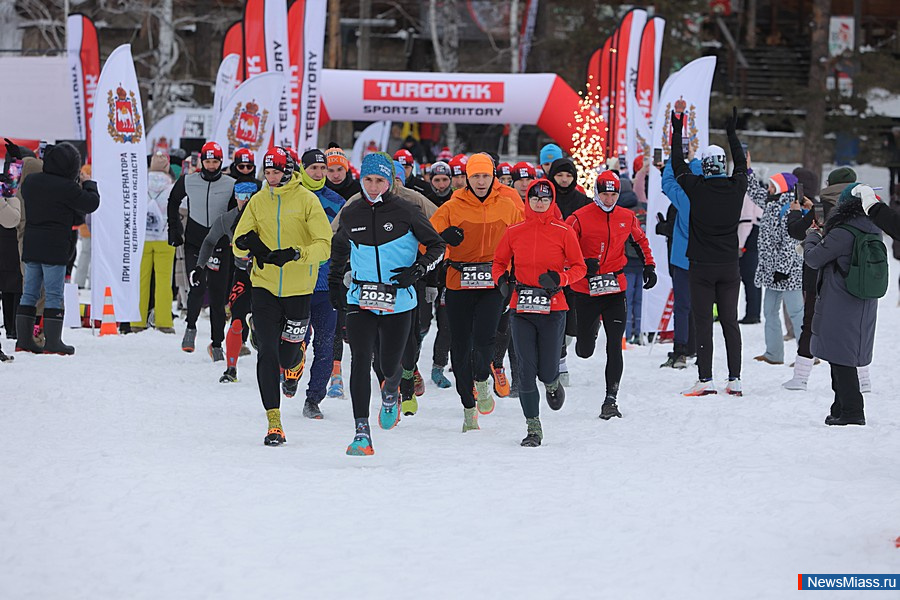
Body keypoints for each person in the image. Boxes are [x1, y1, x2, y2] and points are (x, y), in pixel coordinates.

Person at [328, 152, 445, 456]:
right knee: (360, 359)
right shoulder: (352, 212)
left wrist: (418, 270)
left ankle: (391, 392)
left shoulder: (407, 211)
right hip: (361, 297)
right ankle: (361, 433)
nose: (373, 186)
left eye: (379, 180)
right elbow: (338, 248)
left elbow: (437, 246)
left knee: (390, 365)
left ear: (390, 181)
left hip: (399, 300)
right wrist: (335, 283)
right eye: (368, 180)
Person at [232, 146, 333, 446]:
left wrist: (296, 254)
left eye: (276, 172)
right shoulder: (258, 201)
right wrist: (249, 245)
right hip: (264, 286)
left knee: (288, 356)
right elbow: (238, 243)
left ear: (288, 171)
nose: (272, 178)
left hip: (299, 289)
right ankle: (274, 422)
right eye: (268, 172)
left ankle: (295, 358)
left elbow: (324, 245)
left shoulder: (307, 200)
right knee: (267, 352)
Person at [430, 152, 524, 431]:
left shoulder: (507, 205)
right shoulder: (452, 206)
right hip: (459, 281)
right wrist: (443, 240)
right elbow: (427, 241)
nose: (481, 182)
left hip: (492, 281)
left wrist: (514, 273)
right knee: (460, 344)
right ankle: (468, 407)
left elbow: (521, 239)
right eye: (475, 177)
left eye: (485, 176)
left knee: (485, 337)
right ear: (467, 179)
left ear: (493, 177)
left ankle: (482, 379)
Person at [492, 179, 586, 446]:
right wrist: (501, 280)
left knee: (546, 369)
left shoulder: (564, 231)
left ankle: (552, 383)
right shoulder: (514, 231)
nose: (540, 203)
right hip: (522, 306)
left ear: (551, 201)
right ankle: (533, 427)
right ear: (527, 200)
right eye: (535, 198)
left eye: (545, 199)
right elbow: (499, 262)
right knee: (525, 369)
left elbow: (579, 267)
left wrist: (559, 279)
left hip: (552, 307)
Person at [566, 170, 656, 418]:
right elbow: (562, 247)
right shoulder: (578, 218)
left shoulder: (626, 216)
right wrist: (582, 264)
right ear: (596, 193)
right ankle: (590, 329)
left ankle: (610, 399)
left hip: (615, 287)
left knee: (615, 345)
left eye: (613, 195)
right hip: (585, 289)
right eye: (604, 194)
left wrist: (649, 266)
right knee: (584, 350)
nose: (608, 199)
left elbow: (641, 241)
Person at [671, 108, 746, 397]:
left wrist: (678, 131)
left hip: (701, 266)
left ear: (703, 166)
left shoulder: (696, 187)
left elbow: (677, 164)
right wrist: (732, 133)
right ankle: (735, 379)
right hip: (729, 265)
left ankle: (705, 379)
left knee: (703, 321)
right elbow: (741, 164)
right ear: (723, 165)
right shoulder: (737, 186)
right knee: (730, 321)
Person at [802, 183, 881, 426]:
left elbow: (813, 258)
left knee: (840, 357)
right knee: (842, 355)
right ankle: (840, 407)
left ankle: (852, 411)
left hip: (840, 301)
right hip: (862, 301)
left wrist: (812, 236)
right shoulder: (872, 228)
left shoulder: (844, 232)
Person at [16, 143, 99, 355]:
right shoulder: (67, 188)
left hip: (32, 244)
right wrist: (89, 184)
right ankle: (53, 342)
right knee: (53, 294)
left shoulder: (31, 182)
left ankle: (23, 341)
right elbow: (91, 204)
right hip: (54, 247)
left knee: (29, 294)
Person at [166, 141, 236, 358]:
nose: (211, 166)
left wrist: (236, 236)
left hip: (220, 244)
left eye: (215, 162)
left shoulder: (231, 183)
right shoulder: (188, 180)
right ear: (202, 161)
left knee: (217, 295)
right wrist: (174, 229)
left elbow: (239, 211)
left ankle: (217, 344)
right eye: (208, 161)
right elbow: (173, 201)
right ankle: (190, 328)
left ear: (221, 162)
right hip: (195, 243)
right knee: (196, 286)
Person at [294, 148, 346, 418]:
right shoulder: (292, 197)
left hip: (327, 285)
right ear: (302, 169)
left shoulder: (337, 202)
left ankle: (314, 399)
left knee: (325, 345)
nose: (318, 173)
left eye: (322, 168)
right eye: (313, 168)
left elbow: (346, 240)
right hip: (296, 283)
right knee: (296, 341)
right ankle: (290, 373)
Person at [751, 172, 804, 365]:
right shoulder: (771, 203)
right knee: (770, 311)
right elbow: (754, 193)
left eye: (773, 185)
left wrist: (782, 269)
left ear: (782, 187)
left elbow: (791, 241)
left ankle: (808, 355)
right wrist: (746, 172)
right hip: (772, 272)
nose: (769, 188)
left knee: (796, 312)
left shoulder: (790, 207)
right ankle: (774, 353)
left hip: (788, 271)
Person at [660, 151, 702, 368]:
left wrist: (672, 158)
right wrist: (694, 161)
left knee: (682, 306)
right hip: (706, 259)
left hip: (682, 259)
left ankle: (681, 351)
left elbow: (667, 182)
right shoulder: (715, 197)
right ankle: (700, 349)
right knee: (701, 307)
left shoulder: (683, 199)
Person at [737, 152, 764, 324]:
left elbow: (746, 219)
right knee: (753, 277)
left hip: (748, 236)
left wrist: (740, 244)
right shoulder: (757, 189)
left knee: (749, 277)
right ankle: (753, 312)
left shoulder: (746, 191)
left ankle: (752, 314)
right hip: (756, 234)